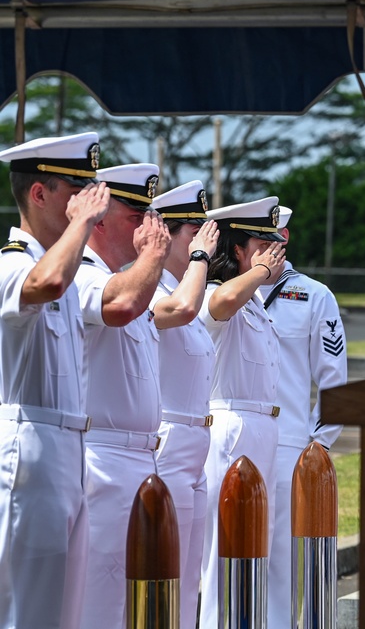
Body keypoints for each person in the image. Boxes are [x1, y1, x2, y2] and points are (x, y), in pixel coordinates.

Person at [0, 133, 108, 629]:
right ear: (39, 194)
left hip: (68, 449)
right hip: (30, 447)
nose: (90, 205)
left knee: (63, 608)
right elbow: (46, 283)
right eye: (76, 193)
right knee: (27, 605)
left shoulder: (65, 268)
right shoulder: (12, 265)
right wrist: (83, 224)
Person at [74, 163, 172, 629]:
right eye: (136, 215)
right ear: (101, 218)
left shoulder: (124, 275)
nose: (147, 227)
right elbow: (121, 305)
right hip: (103, 460)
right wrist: (154, 257)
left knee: (140, 602)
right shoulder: (82, 273)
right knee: (103, 598)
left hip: (141, 457)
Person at [199, 196, 286, 629]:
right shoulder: (218, 291)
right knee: (225, 546)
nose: (274, 250)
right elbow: (219, 305)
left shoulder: (254, 302)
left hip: (262, 428)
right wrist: (260, 274)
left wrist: (259, 277)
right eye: (261, 241)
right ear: (236, 249)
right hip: (230, 427)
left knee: (257, 544)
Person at [260, 205, 348, 627]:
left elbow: (334, 380)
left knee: (280, 566)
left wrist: (319, 443)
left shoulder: (314, 296)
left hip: (289, 445)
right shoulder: (223, 292)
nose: (261, 249)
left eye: (268, 238)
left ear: (285, 237)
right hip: (229, 440)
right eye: (252, 240)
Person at [148, 180, 218, 629]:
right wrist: (200, 259)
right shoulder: (153, 287)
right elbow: (183, 309)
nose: (204, 240)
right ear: (169, 232)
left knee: (188, 572)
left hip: (196, 442)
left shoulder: (183, 286)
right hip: (169, 441)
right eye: (195, 230)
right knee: (163, 567)